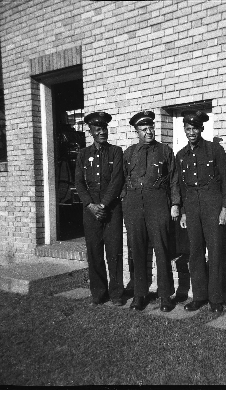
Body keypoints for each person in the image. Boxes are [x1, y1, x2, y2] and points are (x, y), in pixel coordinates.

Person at [122, 110, 180, 312]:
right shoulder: (128, 153)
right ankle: (139, 295)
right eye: (143, 129)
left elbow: (173, 179)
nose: (149, 132)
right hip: (134, 206)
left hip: (158, 205)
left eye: (151, 128)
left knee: (162, 250)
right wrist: (125, 204)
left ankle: (165, 296)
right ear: (136, 131)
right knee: (136, 251)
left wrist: (175, 204)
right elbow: (122, 180)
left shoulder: (165, 151)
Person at [176, 110, 226, 314]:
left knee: (215, 251)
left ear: (202, 129)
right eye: (188, 129)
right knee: (195, 252)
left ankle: (216, 299)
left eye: (195, 128)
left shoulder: (214, 150)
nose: (192, 132)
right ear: (184, 130)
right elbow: (181, 186)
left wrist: (225, 208)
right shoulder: (181, 155)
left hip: (212, 206)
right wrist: (182, 211)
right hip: (191, 208)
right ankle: (199, 297)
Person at [74, 112, 124, 306]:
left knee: (114, 252)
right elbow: (78, 183)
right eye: (98, 129)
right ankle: (98, 292)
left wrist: (103, 205)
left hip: (111, 209)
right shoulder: (83, 155)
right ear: (91, 132)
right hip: (90, 211)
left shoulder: (116, 152)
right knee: (94, 252)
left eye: (104, 128)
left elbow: (117, 180)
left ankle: (117, 294)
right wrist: (90, 205)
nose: (102, 132)